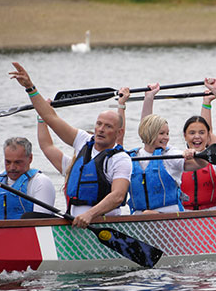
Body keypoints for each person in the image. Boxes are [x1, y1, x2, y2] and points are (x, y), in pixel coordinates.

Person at [9, 62, 132, 227]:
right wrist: (30, 88)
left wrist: (90, 214)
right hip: (75, 225)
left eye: (108, 126)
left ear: (119, 133)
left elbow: (118, 195)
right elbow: (51, 118)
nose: (101, 129)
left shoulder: (121, 159)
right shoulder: (83, 140)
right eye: (98, 124)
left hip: (103, 224)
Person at [144, 78, 216, 211]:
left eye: (202, 133)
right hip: (183, 214)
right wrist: (149, 98)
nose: (197, 136)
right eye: (192, 133)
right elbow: (147, 130)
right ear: (185, 135)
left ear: (208, 136)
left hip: (214, 213)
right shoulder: (175, 157)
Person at [126, 113, 205, 214]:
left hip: (170, 218)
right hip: (139, 218)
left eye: (167, 134)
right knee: (146, 214)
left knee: (148, 214)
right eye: (162, 133)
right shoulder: (132, 157)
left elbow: (202, 164)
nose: (166, 138)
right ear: (150, 133)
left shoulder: (170, 154)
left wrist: (194, 154)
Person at [0, 137, 56, 220]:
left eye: (17, 162)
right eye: (8, 162)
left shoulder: (41, 183)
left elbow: (40, 223)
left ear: (30, 158)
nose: (12, 167)